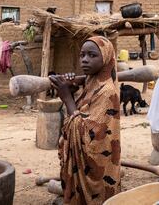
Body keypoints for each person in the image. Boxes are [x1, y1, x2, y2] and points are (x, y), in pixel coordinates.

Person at [49, 36, 121, 205]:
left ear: (106, 57)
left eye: (92, 55)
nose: (85, 60)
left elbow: (88, 134)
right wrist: (73, 90)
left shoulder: (107, 91)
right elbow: (83, 113)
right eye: (82, 55)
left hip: (98, 163)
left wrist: (66, 97)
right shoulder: (91, 81)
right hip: (88, 158)